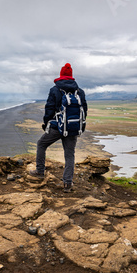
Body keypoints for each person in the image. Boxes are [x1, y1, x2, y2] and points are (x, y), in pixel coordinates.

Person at [31, 63, 87, 192]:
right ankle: (67, 184)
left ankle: (40, 171)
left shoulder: (55, 89)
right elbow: (84, 110)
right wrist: (80, 126)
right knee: (69, 155)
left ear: (61, 75)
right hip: (72, 128)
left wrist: (46, 124)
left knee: (41, 144)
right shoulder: (80, 91)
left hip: (56, 126)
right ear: (71, 76)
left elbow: (49, 109)